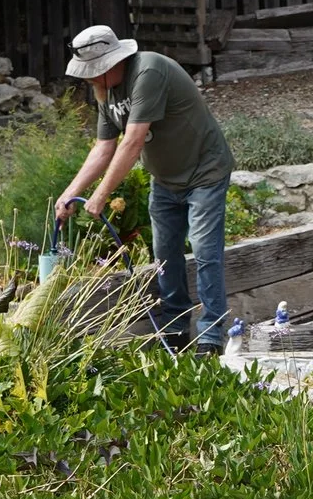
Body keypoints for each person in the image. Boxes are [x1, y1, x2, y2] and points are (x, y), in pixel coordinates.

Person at [58, 24, 239, 354]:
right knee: (164, 255)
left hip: (205, 172)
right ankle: (175, 329)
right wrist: (71, 192)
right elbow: (103, 147)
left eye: (93, 73)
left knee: (204, 251)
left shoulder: (149, 71)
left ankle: (212, 336)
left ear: (113, 64)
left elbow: (132, 141)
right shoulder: (106, 93)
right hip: (166, 180)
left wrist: (100, 195)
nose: (89, 80)